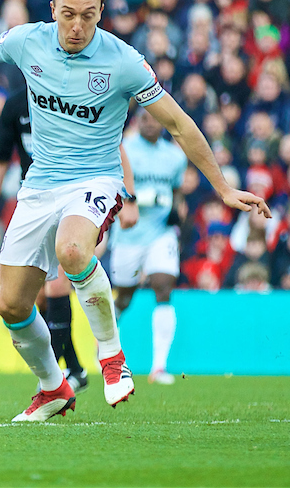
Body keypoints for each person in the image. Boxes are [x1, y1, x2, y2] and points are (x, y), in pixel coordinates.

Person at [0, 0, 271, 422]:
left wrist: (221, 187)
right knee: (12, 305)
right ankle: (52, 389)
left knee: (72, 251)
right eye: (68, 15)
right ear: (53, 12)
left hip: (96, 179)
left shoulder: (124, 62)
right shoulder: (29, 41)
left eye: (88, 15)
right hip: (39, 184)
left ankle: (112, 356)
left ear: (101, 13)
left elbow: (179, 123)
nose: (77, 26)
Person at [0, 87, 140, 393]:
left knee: (58, 282)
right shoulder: (15, 106)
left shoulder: (71, 98)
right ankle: (75, 369)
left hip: (79, 200)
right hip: (37, 202)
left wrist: (129, 198)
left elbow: (114, 147)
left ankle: (91, 363)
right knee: (30, 300)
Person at [109, 108, 188, 384]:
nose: (152, 123)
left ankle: (159, 367)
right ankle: (105, 345)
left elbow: (176, 191)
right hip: (128, 234)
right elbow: (114, 188)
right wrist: (141, 199)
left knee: (164, 285)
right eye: (146, 118)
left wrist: (177, 209)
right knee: (125, 296)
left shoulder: (175, 157)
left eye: (157, 118)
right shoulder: (124, 150)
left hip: (161, 232)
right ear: (137, 121)